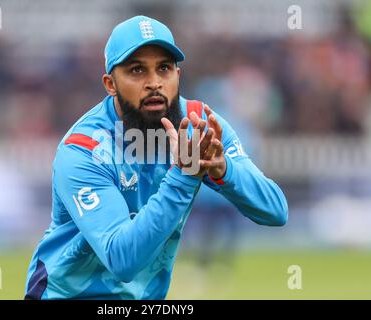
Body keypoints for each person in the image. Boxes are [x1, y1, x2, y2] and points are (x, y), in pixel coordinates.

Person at [24, 15, 288, 300]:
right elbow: (122, 260)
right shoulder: (84, 151)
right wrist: (184, 176)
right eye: (137, 70)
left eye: (164, 68)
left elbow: (275, 210)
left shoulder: (200, 124)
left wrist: (223, 168)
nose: (154, 83)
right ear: (110, 84)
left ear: (178, 75)